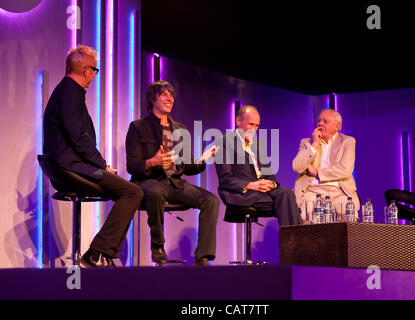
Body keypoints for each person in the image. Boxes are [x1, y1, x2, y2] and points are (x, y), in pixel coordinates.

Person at [43, 45, 144, 267]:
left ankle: (101, 253)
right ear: (86, 69)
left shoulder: (67, 90)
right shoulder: (69, 92)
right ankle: (97, 253)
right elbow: (78, 139)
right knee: (132, 191)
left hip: (69, 164)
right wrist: (102, 164)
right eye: (95, 70)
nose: (94, 76)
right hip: (69, 167)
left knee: (128, 192)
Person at [125, 80, 219, 266]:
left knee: (211, 200)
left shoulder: (180, 129)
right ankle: (158, 247)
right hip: (149, 181)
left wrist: (201, 161)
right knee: (156, 191)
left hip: (175, 183)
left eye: (171, 95)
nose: (170, 98)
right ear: (153, 99)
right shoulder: (138, 127)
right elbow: (132, 166)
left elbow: (188, 166)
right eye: (164, 94)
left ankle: (203, 257)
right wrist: (153, 162)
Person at [215, 105, 300, 226]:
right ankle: (295, 243)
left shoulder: (257, 145)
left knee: (286, 193)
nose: (254, 129)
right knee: (288, 203)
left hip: (262, 191)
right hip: (242, 193)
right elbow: (225, 179)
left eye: (257, 125)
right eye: (251, 124)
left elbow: (269, 174)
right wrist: (252, 185)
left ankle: (294, 242)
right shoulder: (224, 142)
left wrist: (270, 183)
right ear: (238, 121)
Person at [292, 108, 359, 223]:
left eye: (325, 121)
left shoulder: (347, 141)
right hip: (313, 190)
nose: (320, 124)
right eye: (319, 121)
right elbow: (297, 167)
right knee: (307, 213)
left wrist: (317, 173)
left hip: (339, 191)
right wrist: (314, 144)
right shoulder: (307, 142)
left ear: (337, 126)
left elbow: (345, 170)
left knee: (346, 212)